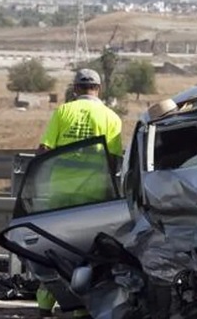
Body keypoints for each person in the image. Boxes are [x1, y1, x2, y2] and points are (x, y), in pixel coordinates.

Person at [35, 68, 124, 319]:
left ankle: (45, 305)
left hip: (59, 194)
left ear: (75, 89)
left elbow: (44, 149)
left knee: (53, 249)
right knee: (86, 254)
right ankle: (82, 309)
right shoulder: (111, 117)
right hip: (93, 197)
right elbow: (114, 161)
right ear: (99, 89)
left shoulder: (64, 111)